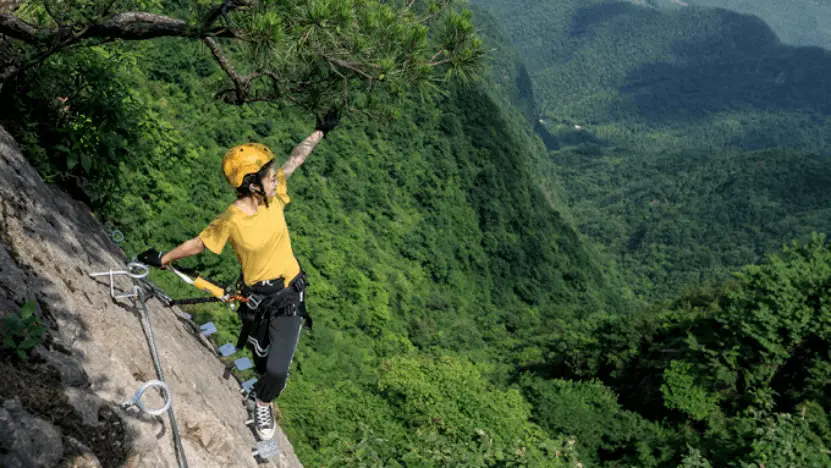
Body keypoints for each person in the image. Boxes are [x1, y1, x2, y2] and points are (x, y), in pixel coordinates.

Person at [138, 116, 337, 440]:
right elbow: (199, 243)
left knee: (276, 370)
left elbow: (296, 158)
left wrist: (320, 132)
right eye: (269, 176)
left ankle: (262, 402)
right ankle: (262, 387)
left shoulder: (274, 198)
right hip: (256, 299)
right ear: (251, 183)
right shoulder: (231, 220)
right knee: (261, 358)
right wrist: (165, 258)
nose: (276, 180)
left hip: (288, 294)